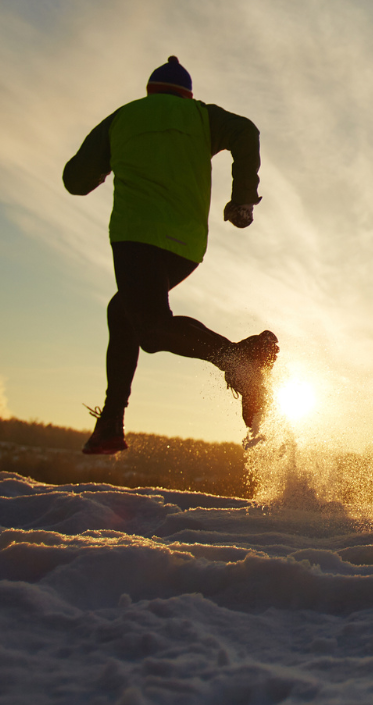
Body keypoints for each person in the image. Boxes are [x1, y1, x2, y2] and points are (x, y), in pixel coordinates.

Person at [63, 55, 278, 454]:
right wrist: (243, 197)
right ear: (187, 94)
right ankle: (111, 421)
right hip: (187, 245)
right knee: (123, 311)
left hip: (136, 236)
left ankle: (239, 360)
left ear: (150, 91)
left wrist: (104, 166)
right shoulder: (201, 118)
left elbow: (74, 180)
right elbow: (246, 131)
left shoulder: (124, 118)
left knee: (150, 328)